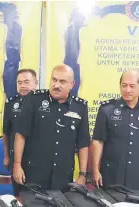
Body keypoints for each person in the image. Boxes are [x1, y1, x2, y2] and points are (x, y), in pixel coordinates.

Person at [12, 64, 90, 192]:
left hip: (63, 178)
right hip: (33, 175)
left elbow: (83, 143)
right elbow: (20, 134)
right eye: (54, 80)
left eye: (62, 81)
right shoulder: (34, 100)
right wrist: (17, 165)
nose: (56, 85)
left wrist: (82, 174)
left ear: (72, 84)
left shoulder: (79, 107)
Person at [92, 70, 139, 192]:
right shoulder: (107, 109)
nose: (127, 90)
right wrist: (95, 170)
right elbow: (98, 141)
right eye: (124, 85)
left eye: (132, 86)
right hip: (112, 174)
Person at [2, 69, 38, 195]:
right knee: (19, 195)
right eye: (19, 82)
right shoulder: (11, 104)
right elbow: (6, 132)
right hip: (17, 159)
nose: (23, 86)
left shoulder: (44, 104)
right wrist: (7, 156)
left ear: (35, 83)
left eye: (27, 82)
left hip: (37, 159)